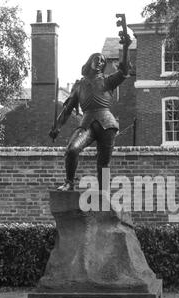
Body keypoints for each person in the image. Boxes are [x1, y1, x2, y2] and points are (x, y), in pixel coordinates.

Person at [49, 34, 132, 191]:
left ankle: (104, 192)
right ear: (89, 62)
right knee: (72, 149)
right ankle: (69, 182)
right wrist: (57, 127)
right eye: (97, 58)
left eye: (103, 60)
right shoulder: (79, 86)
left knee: (103, 164)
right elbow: (67, 109)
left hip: (107, 124)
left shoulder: (108, 81)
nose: (100, 61)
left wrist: (126, 47)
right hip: (87, 123)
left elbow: (124, 71)